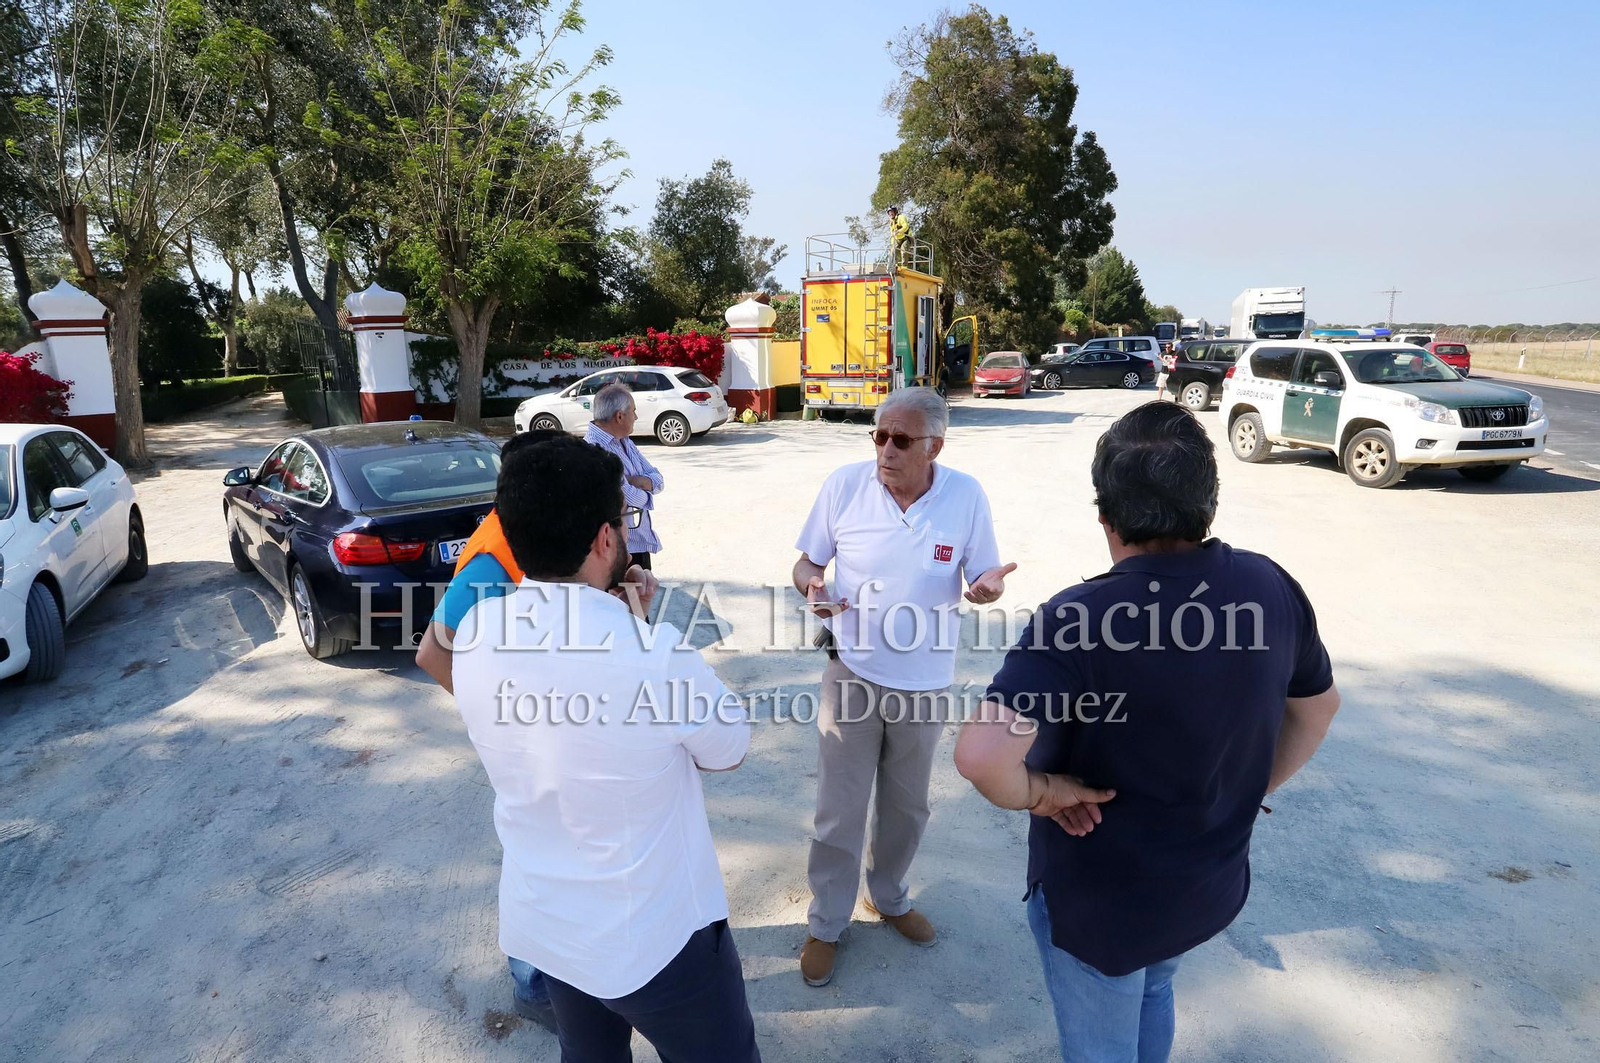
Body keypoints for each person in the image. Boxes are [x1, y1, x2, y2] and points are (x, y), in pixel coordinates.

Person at [952, 402, 1341, 1063]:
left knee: (1106, 1036)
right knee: (1156, 989)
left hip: (1102, 904)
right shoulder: (1270, 585)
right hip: (1200, 888)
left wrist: (1044, 792)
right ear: (1207, 499)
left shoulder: (1079, 616)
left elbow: (982, 757)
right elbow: (1318, 707)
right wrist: (1242, 786)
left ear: (1105, 514)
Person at [451, 435, 760, 1062]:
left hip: (549, 924)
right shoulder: (654, 653)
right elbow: (728, 747)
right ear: (603, 540)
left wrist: (618, 619)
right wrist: (639, 625)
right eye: (623, 521)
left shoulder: (478, 628)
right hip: (654, 937)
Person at [791, 385, 1016, 987]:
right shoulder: (845, 485)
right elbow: (806, 563)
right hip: (853, 674)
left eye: (900, 439)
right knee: (838, 812)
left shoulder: (965, 496)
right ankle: (827, 921)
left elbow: (980, 573)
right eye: (878, 435)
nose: (884, 450)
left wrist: (987, 588)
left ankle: (888, 898)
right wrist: (811, 587)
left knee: (906, 808)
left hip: (924, 683)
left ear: (934, 446)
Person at [414, 427, 565, 1029]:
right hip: (525, 737)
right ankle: (531, 986)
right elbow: (432, 653)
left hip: (551, 727)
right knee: (531, 858)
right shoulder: (492, 558)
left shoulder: (536, 540)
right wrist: (497, 720)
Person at [584, 382, 664, 570]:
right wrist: (647, 492)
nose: (636, 417)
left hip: (639, 540)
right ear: (619, 416)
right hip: (619, 549)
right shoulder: (596, 449)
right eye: (633, 411)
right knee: (628, 598)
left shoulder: (625, 442)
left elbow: (658, 479)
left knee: (641, 596)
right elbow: (626, 496)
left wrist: (638, 481)